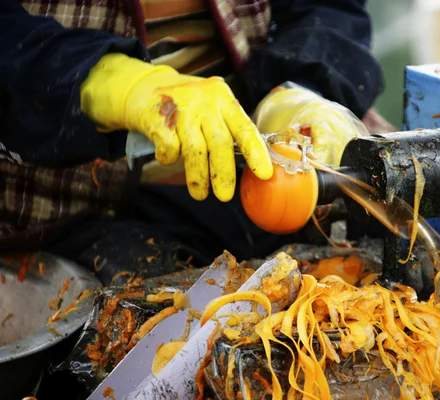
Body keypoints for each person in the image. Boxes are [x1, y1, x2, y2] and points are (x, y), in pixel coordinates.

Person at [0, 0, 392, 284]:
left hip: (252, 162)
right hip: (53, 201)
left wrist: (303, 89)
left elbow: (329, 9)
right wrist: (112, 84)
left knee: (402, 239)